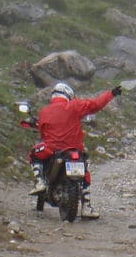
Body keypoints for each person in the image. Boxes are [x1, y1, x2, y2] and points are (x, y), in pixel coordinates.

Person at [28, 80, 122, 220]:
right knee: (84, 173)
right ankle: (86, 206)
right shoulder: (75, 105)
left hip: (51, 149)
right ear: (68, 95)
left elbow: (42, 131)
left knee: (34, 154)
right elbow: (96, 104)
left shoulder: (44, 111)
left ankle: (40, 181)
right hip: (74, 150)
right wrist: (111, 93)